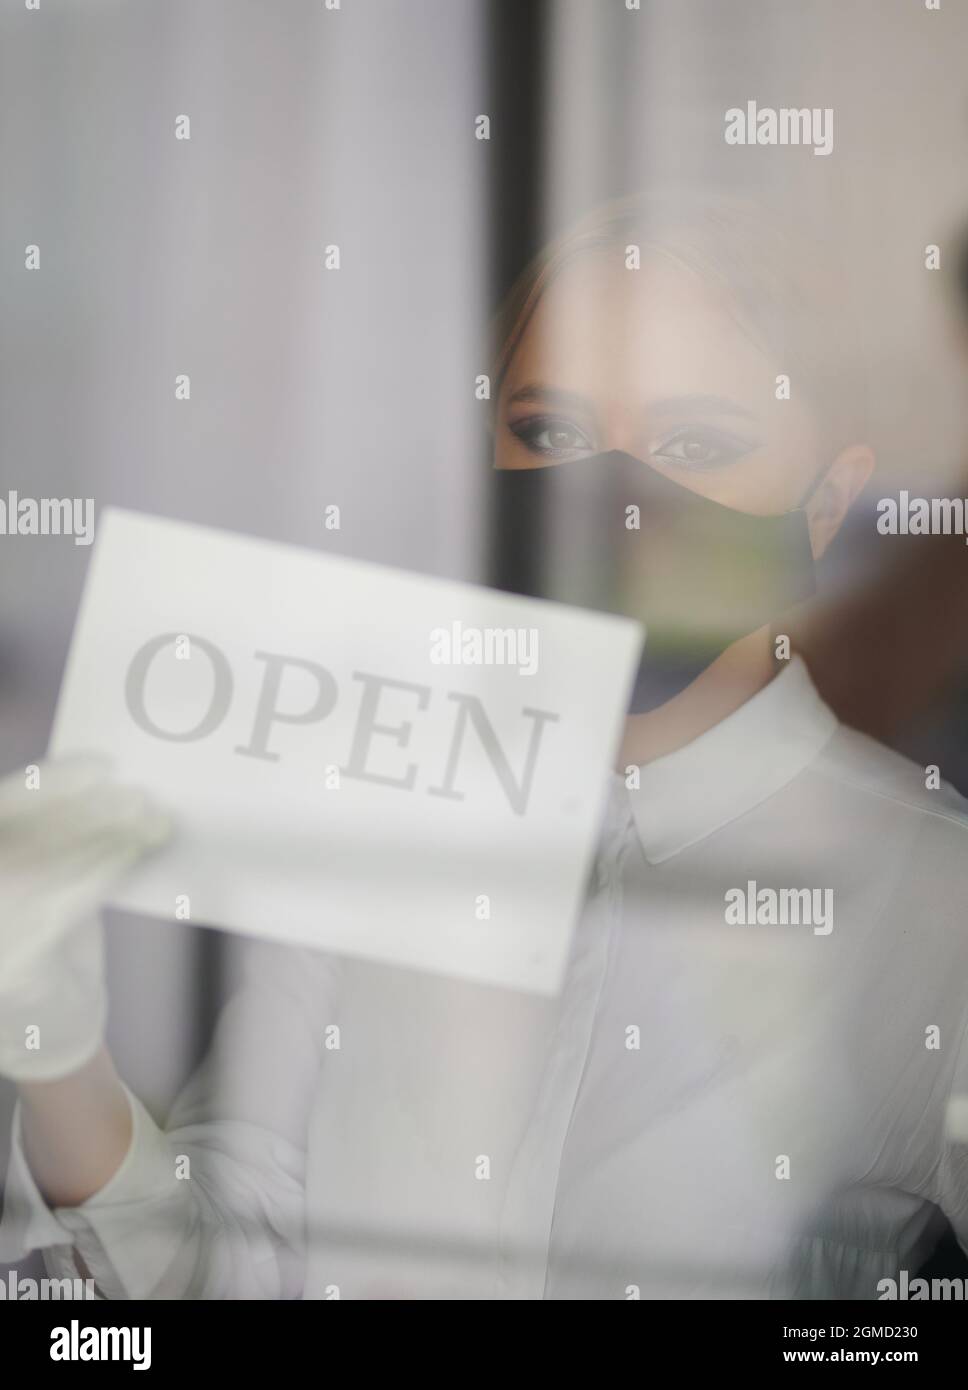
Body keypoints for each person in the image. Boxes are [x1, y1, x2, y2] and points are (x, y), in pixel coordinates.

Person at [2, 192, 968, 1299]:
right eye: (550, 433)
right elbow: (220, 1272)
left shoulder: (935, 901)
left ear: (822, 498)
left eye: (694, 439)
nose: (614, 496)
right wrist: (56, 1048)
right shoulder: (367, 816)